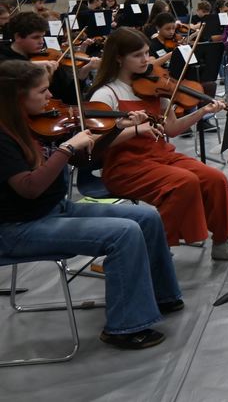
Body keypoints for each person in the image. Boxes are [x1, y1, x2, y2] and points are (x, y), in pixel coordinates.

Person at [0, 60, 182, 349]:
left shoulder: (38, 123)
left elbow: (82, 160)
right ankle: (124, 327)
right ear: (17, 98)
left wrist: (116, 129)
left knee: (146, 218)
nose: (50, 98)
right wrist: (66, 147)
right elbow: (30, 187)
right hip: (16, 228)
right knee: (123, 233)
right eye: (43, 92)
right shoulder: (4, 137)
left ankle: (162, 295)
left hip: (55, 210)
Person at [88, 28, 228, 261]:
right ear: (118, 58)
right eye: (137, 55)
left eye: (147, 53)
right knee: (184, 182)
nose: (146, 59)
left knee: (215, 178)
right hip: (125, 166)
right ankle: (147, 251)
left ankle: (223, 242)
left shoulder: (155, 86)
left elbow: (172, 129)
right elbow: (95, 143)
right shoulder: (106, 94)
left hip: (162, 157)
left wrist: (202, 111)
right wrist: (134, 129)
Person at [0, 11, 99, 104]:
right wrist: (30, 65)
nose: (42, 41)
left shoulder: (49, 58)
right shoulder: (4, 57)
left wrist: (84, 71)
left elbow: (69, 98)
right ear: (18, 37)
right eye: (36, 37)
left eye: (42, 36)